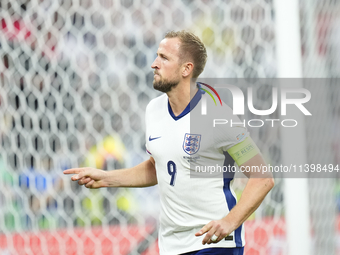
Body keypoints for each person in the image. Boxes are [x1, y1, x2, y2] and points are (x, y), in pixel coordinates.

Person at [64, 30, 274, 255]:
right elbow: (159, 167)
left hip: (214, 244)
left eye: (164, 58)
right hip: (171, 246)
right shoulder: (153, 110)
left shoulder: (217, 114)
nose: (154, 64)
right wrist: (107, 178)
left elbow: (262, 177)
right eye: (157, 56)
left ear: (186, 69)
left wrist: (230, 222)